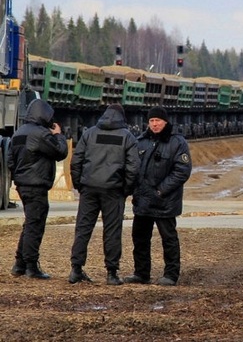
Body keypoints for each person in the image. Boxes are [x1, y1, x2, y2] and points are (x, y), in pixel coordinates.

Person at [68, 103, 140, 285]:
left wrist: (80, 184)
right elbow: (133, 167)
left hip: (89, 189)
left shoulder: (90, 133)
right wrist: (126, 190)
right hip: (113, 191)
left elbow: (76, 161)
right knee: (112, 231)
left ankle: (76, 269)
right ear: (122, 117)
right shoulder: (127, 137)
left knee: (83, 229)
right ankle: (112, 273)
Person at [124, 106, 191, 286]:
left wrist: (161, 190)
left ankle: (170, 274)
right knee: (139, 238)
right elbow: (133, 168)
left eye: (158, 121)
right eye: (151, 121)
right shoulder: (141, 141)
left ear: (165, 122)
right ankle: (141, 272)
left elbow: (182, 171)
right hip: (143, 200)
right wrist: (133, 190)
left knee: (168, 238)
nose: (154, 124)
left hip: (165, 201)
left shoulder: (177, 142)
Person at [8, 98, 68, 279]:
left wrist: (18, 178)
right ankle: (31, 267)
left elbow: (10, 160)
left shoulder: (18, 133)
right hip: (36, 185)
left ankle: (20, 264)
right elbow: (60, 152)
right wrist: (58, 135)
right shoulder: (41, 134)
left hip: (22, 184)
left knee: (30, 223)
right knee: (36, 225)